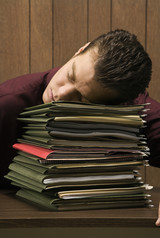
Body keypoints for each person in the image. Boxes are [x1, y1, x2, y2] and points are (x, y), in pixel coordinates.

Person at [0, 29, 160, 225]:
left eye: (83, 98)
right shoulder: (6, 103)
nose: (61, 93)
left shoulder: (127, 103)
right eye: (71, 75)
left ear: (113, 106)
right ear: (80, 50)